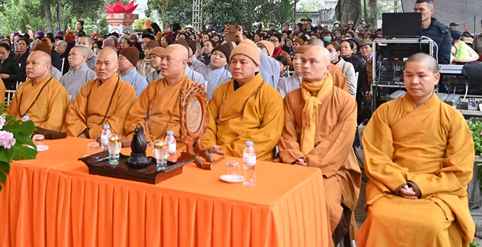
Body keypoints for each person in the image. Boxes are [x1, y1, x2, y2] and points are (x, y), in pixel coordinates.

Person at [357, 53, 475, 247]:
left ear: (436, 78)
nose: (414, 81)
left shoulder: (452, 117)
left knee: (433, 224)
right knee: (380, 216)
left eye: (421, 75)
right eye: (408, 75)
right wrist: (398, 183)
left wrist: (421, 186)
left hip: (437, 190)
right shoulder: (386, 112)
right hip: (393, 186)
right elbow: (377, 157)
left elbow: (460, 168)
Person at [278, 45, 361, 246]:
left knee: (323, 203)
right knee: (274, 193)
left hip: (333, 166)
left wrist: (311, 162)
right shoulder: (292, 98)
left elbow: (341, 141)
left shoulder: (345, 101)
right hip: (294, 161)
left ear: (327, 68)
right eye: (303, 61)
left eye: (312, 62)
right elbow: (286, 134)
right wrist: (296, 158)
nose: (305, 65)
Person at [203, 40, 284, 161]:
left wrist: (226, 151)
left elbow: (268, 137)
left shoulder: (272, 96)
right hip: (215, 154)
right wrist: (209, 145)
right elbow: (207, 124)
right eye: (233, 61)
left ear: (256, 66)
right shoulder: (220, 91)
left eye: (243, 62)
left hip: (250, 158)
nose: (237, 66)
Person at [124, 44, 195, 145]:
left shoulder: (192, 91)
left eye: (168, 59)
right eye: (162, 58)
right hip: (144, 143)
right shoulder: (152, 87)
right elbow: (135, 116)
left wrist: (161, 143)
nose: (163, 62)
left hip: (172, 145)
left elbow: (192, 128)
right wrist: (144, 139)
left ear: (183, 63)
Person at [64, 48, 136, 138]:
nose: (102, 67)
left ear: (116, 66)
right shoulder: (88, 87)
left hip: (106, 137)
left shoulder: (126, 90)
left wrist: (89, 134)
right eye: (98, 63)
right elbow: (73, 112)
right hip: (81, 133)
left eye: (107, 63)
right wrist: (81, 131)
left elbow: (119, 122)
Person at [6, 51, 69, 131]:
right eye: (27, 63)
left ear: (47, 67)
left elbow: (54, 124)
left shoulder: (57, 90)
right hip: (15, 132)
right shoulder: (22, 87)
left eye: (34, 63)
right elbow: (10, 114)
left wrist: (31, 133)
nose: (28, 67)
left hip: (40, 134)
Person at [414, 0, 451, 64]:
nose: (417, 12)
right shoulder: (407, 29)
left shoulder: (443, 32)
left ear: (432, 11)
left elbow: (444, 59)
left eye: (421, 9)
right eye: (415, 9)